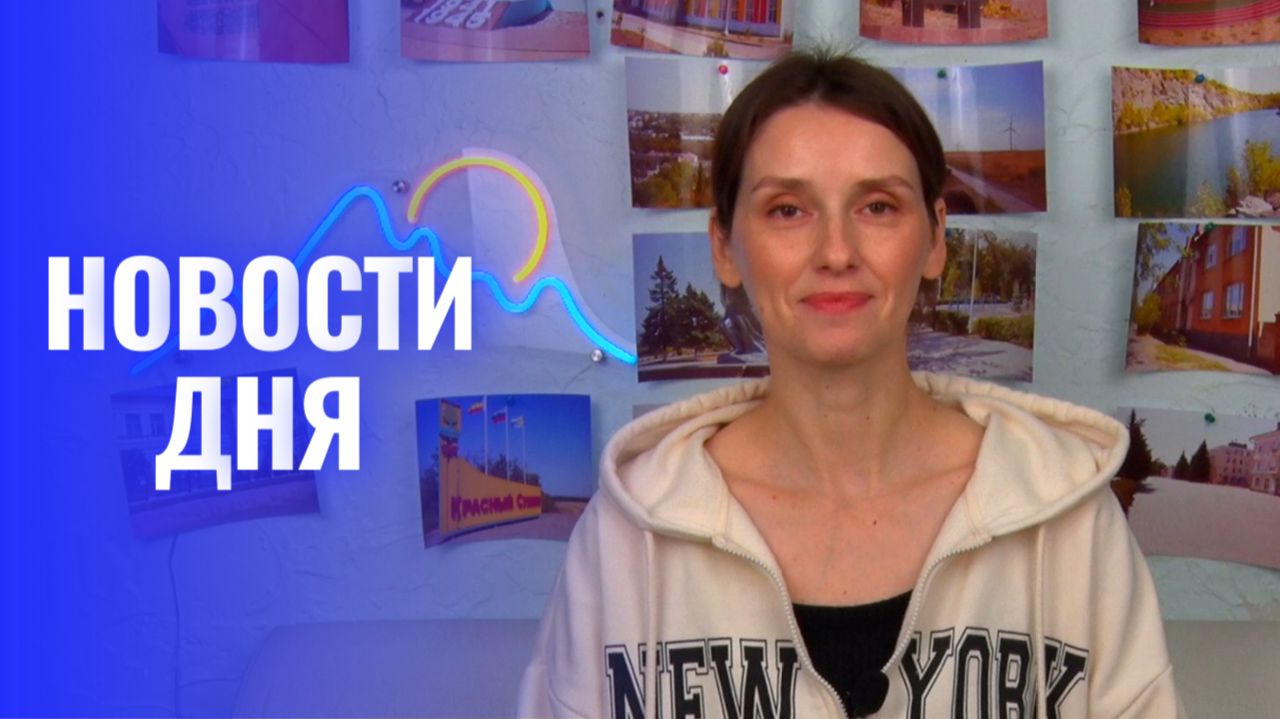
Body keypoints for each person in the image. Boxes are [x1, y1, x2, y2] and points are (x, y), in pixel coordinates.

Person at [517, 49, 1184, 718]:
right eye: (787, 210)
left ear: (935, 238)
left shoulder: (1070, 524)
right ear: (724, 246)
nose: (836, 252)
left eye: (877, 206)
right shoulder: (625, 539)